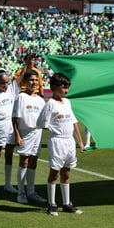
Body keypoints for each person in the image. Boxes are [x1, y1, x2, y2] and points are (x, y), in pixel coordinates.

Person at [37, 73, 85, 216]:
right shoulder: (50, 104)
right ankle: (52, 204)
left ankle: (66, 203)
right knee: (54, 172)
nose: (66, 91)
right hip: (57, 141)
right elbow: (42, 123)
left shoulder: (67, 102)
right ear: (54, 88)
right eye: (63, 88)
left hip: (69, 141)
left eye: (67, 88)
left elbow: (73, 121)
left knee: (67, 172)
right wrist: (54, 129)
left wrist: (80, 141)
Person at [12, 69, 46, 204]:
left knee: (33, 162)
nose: (34, 82)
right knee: (24, 162)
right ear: (25, 82)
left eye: (36, 80)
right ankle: (21, 193)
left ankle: (31, 192)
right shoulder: (20, 97)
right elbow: (14, 119)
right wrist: (17, 136)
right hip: (25, 133)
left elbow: (44, 120)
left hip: (37, 133)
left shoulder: (40, 100)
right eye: (31, 80)